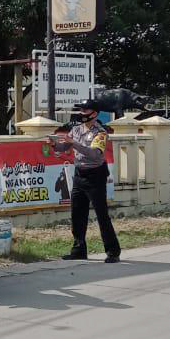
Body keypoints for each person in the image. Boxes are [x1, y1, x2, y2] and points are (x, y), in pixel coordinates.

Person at [52, 99, 121, 263]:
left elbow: (95, 154)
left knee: (102, 215)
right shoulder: (76, 129)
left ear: (94, 113)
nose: (81, 113)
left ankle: (113, 251)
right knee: (77, 213)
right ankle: (79, 250)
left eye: (85, 110)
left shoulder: (100, 132)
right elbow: (64, 147)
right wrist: (54, 144)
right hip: (79, 174)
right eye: (81, 110)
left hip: (95, 175)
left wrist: (74, 143)